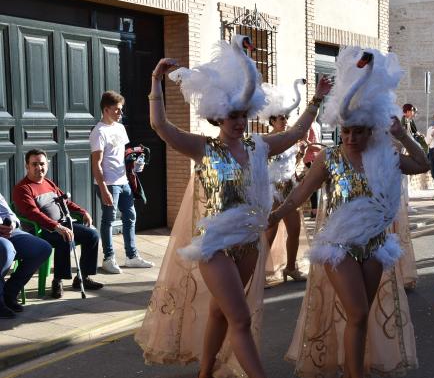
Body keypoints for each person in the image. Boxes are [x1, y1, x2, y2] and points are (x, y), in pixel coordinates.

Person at [134, 35, 332, 378]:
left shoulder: (260, 147)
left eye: (242, 115)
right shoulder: (204, 149)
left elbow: (299, 132)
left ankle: (206, 370)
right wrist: (155, 82)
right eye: (230, 116)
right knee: (240, 318)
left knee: (220, 312)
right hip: (216, 247)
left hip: (249, 244)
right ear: (217, 117)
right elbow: (160, 127)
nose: (238, 122)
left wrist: (316, 99)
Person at [273, 48, 426, 378]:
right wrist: (275, 214)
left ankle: (355, 369)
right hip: (338, 247)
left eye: (358, 131)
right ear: (339, 130)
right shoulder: (330, 159)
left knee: (362, 315)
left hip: (374, 246)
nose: (352, 137)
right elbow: (301, 192)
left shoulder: (385, 156)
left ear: (371, 129)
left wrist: (404, 135)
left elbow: (422, 164)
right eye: (346, 131)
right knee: (356, 312)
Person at [13, 149, 103, 299]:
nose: (38, 168)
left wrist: (82, 212)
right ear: (27, 166)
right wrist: (56, 226)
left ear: (46, 165)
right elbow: (33, 214)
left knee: (92, 235)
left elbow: (65, 201)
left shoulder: (49, 183)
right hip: (40, 231)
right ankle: (58, 280)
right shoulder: (23, 188)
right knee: (64, 238)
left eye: (41, 164)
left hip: (62, 224)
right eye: (34, 164)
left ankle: (83, 277)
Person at [90, 91, 154, 274]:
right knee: (109, 220)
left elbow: (123, 155)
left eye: (121, 110)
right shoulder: (99, 132)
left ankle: (132, 257)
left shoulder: (120, 128)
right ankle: (108, 258)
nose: (120, 113)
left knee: (130, 217)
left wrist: (134, 166)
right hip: (109, 183)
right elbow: (96, 164)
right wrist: (103, 189)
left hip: (123, 180)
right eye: (117, 110)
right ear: (106, 109)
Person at [260, 80, 308, 283]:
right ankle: (258, 274)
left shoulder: (292, 140)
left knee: (294, 230)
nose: (285, 121)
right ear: (272, 120)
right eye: (281, 118)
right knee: (269, 232)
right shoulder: (264, 142)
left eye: (287, 117)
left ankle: (290, 268)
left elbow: (292, 165)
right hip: (272, 191)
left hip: (290, 188)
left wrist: (301, 154)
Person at [0, 193, 52, 317]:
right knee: (6, 250)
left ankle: (9, 292)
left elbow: (10, 214)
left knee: (42, 248)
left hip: (8, 232)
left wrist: (12, 224)